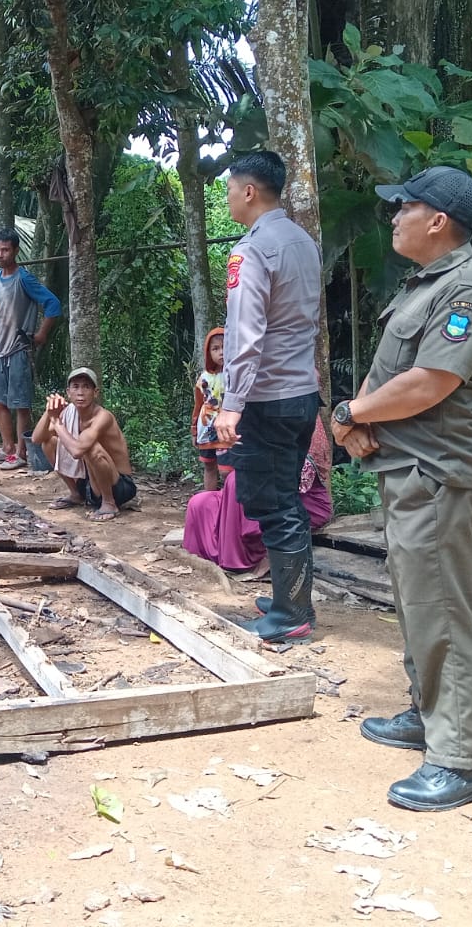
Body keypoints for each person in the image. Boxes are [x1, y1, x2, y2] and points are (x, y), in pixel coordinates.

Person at [331, 165, 472, 813]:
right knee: (416, 603)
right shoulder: (428, 284)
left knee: (443, 611)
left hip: (440, 475)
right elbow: (394, 374)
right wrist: (357, 420)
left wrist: (351, 413)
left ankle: (461, 761)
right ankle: (427, 713)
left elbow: (430, 382)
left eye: (403, 207)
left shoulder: (468, 293)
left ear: (437, 220)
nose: (393, 215)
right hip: (409, 470)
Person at [213, 150, 323, 641]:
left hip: (267, 397)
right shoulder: (303, 241)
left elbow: (245, 333)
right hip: (302, 392)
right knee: (285, 496)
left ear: (249, 191)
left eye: (229, 189)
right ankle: (289, 598)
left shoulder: (253, 250)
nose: (228, 198)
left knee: (272, 502)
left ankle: (292, 615)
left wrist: (231, 404)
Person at [183, 409, 332, 575]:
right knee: (201, 503)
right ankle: (211, 558)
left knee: (237, 481)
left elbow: (298, 476)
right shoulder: (244, 409)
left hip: (297, 501)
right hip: (253, 492)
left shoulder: (301, 409)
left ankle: (245, 561)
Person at [0, 229, 62, 470]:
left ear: (15, 251)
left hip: (19, 349)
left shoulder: (24, 279)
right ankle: (7, 447)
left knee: (20, 404)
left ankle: (21, 452)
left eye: (5, 250)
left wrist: (41, 334)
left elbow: (53, 304)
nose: (0, 255)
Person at [30, 367, 137, 521]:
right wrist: (49, 412)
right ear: (68, 392)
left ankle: (109, 503)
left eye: (86, 387)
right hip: (89, 484)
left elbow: (77, 451)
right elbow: (36, 439)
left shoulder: (102, 417)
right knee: (49, 442)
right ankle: (76, 494)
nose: (80, 392)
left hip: (119, 487)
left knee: (92, 448)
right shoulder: (68, 413)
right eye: (76, 387)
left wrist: (57, 422)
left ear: (95, 392)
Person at [192, 326, 229, 490]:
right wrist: (194, 430)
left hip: (228, 429)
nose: (221, 352)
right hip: (206, 429)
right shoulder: (204, 378)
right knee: (209, 466)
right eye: (216, 348)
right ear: (209, 353)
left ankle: (229, 502)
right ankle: (209, 500)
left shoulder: (235, 375)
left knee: (227, 470)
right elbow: (198, 405)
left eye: (225, 347)